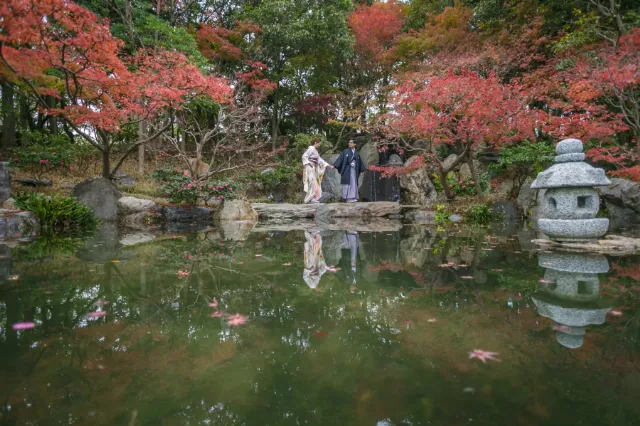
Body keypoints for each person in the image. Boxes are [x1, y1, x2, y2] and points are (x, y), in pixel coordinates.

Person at [302, 139, 334, 204]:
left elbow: (319, 160)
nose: (319, 145)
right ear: (315, 142)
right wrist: (308, 163)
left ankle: (313, 198)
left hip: (313, 168)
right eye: (319, 144)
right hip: (310, 167)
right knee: (312, 183)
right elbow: (304, 156)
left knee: (315, 183)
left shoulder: (315, 151)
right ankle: (309, 199)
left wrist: (328, 165)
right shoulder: (311, 148)